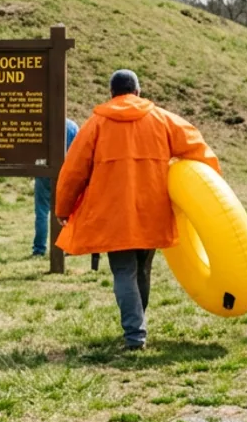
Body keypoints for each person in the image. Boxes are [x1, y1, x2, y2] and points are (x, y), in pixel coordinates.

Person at [55, 70, 220, 350]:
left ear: (111, 93)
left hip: (113, 214)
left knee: (123, 272)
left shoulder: (96, 124)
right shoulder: (163, 119)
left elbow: (73, 170)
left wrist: (64, 206)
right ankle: (138, 326)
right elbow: (198, 148)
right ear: (138, 91)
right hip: (152, 209)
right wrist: (211, 189)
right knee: (143, 270)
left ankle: (134, 334)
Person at [32, 117, 80, 257]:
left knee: (42, 212)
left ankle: (39, 249)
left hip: (44, 172)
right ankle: (68, 247)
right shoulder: (72, 126)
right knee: (69, 212)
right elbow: (77, 152)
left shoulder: (42, 125)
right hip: (66, 174)